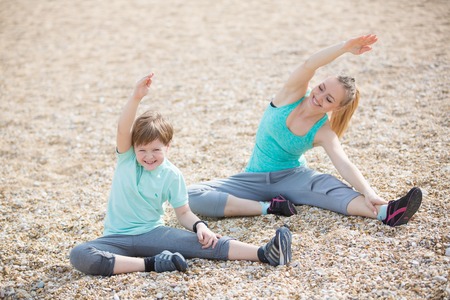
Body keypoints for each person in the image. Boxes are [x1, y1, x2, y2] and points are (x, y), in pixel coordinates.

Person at [69, 73, 293, 276]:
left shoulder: (172, 175)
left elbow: (184, 212)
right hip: (115, 239)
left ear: (168, 147)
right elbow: (122, 129)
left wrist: (200, 226)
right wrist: (136, 97)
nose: (149, 156)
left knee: (206, 243)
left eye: (156, 150)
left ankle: (265, 253)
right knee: (79, 254)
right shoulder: (127, 159)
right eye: (142, 150)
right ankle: (151, 264)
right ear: (133, 148)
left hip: (152, 233)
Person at [188, 34, 422, 227]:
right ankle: (269, 207)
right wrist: (344, 48)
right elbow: (309, 64)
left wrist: (369, 192)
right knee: (191, 195)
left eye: (328, 98)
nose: (318, 97)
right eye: (320, 88)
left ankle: (386, 213)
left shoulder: (324, 131)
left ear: (336, 108)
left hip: (293, 178)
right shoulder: (291, 94)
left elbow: (344, 164)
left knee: (332, 189)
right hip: (252, 178)